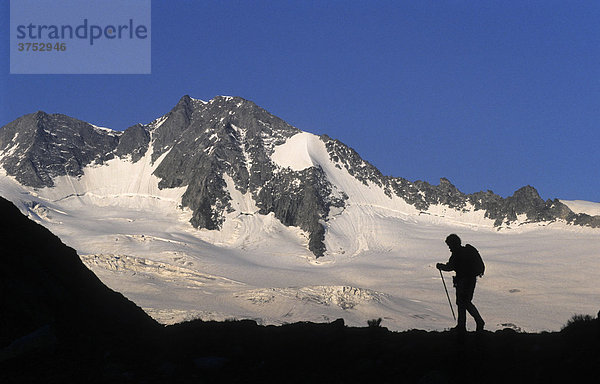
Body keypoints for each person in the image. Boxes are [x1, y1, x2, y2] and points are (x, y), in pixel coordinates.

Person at [436, 234, 485, 333]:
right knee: (465, 302)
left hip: (463, 281)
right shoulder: (466, 251)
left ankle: (470, 324)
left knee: (463, 302)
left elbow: (450, 267)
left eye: (450, 245)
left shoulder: (457, 254)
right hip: (470, 280)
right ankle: (467, 324)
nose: (449, 248)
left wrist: (440, 266)